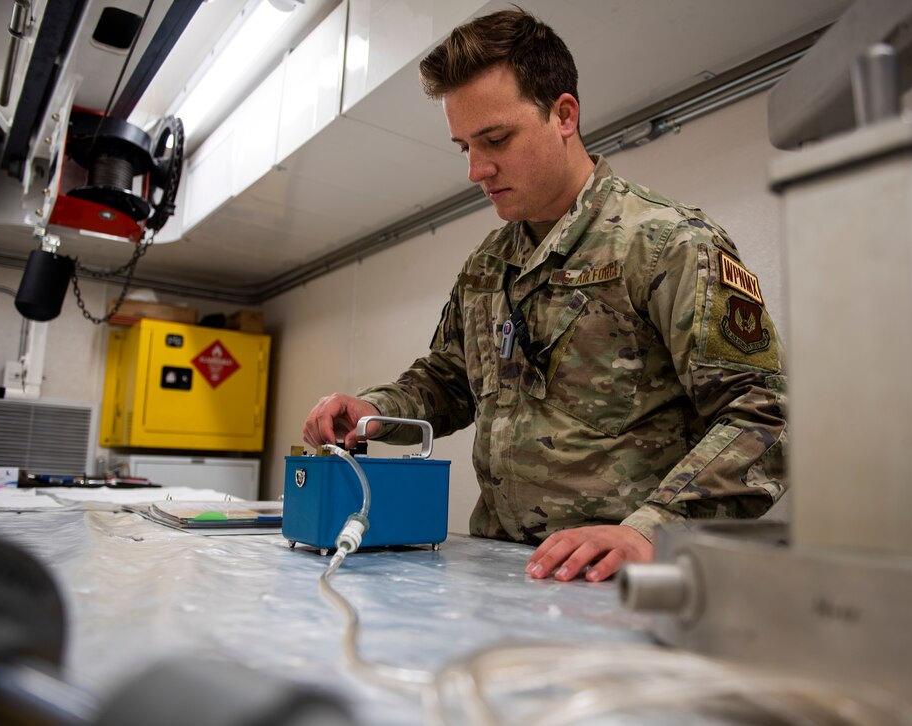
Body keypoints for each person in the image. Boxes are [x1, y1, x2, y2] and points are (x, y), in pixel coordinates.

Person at [303, 8, 787, 583]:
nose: (476, 170)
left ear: (563, 115)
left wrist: (652, 530)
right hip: (505, 571)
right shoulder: (487, 267)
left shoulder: (664, 245)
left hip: (621, 580)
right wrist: (376, 410)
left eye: (496, 139)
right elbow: (449, 378)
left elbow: (766, 413)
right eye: (463, 147)